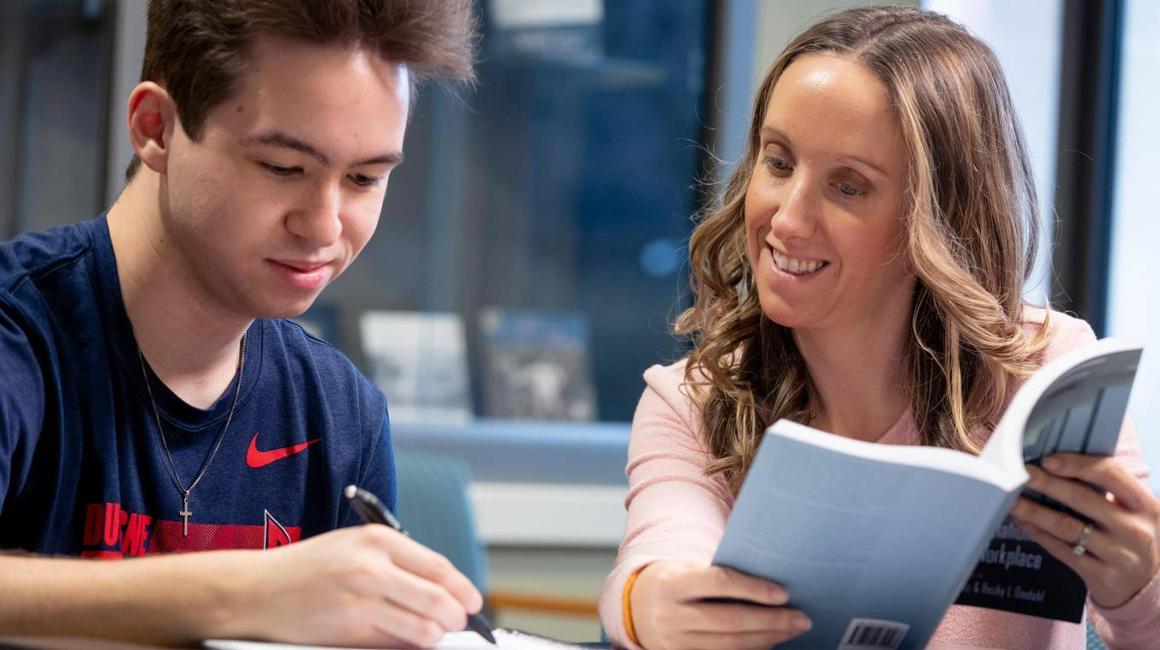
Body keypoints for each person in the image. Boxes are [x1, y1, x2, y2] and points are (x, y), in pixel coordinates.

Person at [598, 6, 1160, 650]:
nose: (787, 219)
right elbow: (658, 549)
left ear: (938, 217)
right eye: (778, 163)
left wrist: (1140, 584)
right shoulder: (693, 400)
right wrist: (648, 602)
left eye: (848, 187)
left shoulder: (1048, 371)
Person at [0, 1, 486, 646]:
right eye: (283, 168)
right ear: (156, 129)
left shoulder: (339, 412)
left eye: (365, 178)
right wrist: (245, 593)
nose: (323, 226)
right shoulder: (19, 336)